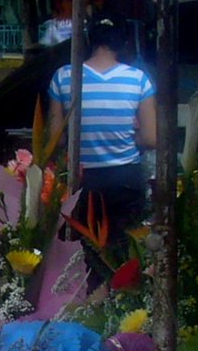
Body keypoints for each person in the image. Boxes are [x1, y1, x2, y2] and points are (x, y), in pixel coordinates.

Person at [46, 17, 156, 248]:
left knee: (81, 253)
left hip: (81, 182)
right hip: (125, 180)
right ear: (124, 44)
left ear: (89, 41)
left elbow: (56, 139)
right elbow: (150, 138)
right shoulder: (138, 79)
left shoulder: (63, 77)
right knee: (124, 253)